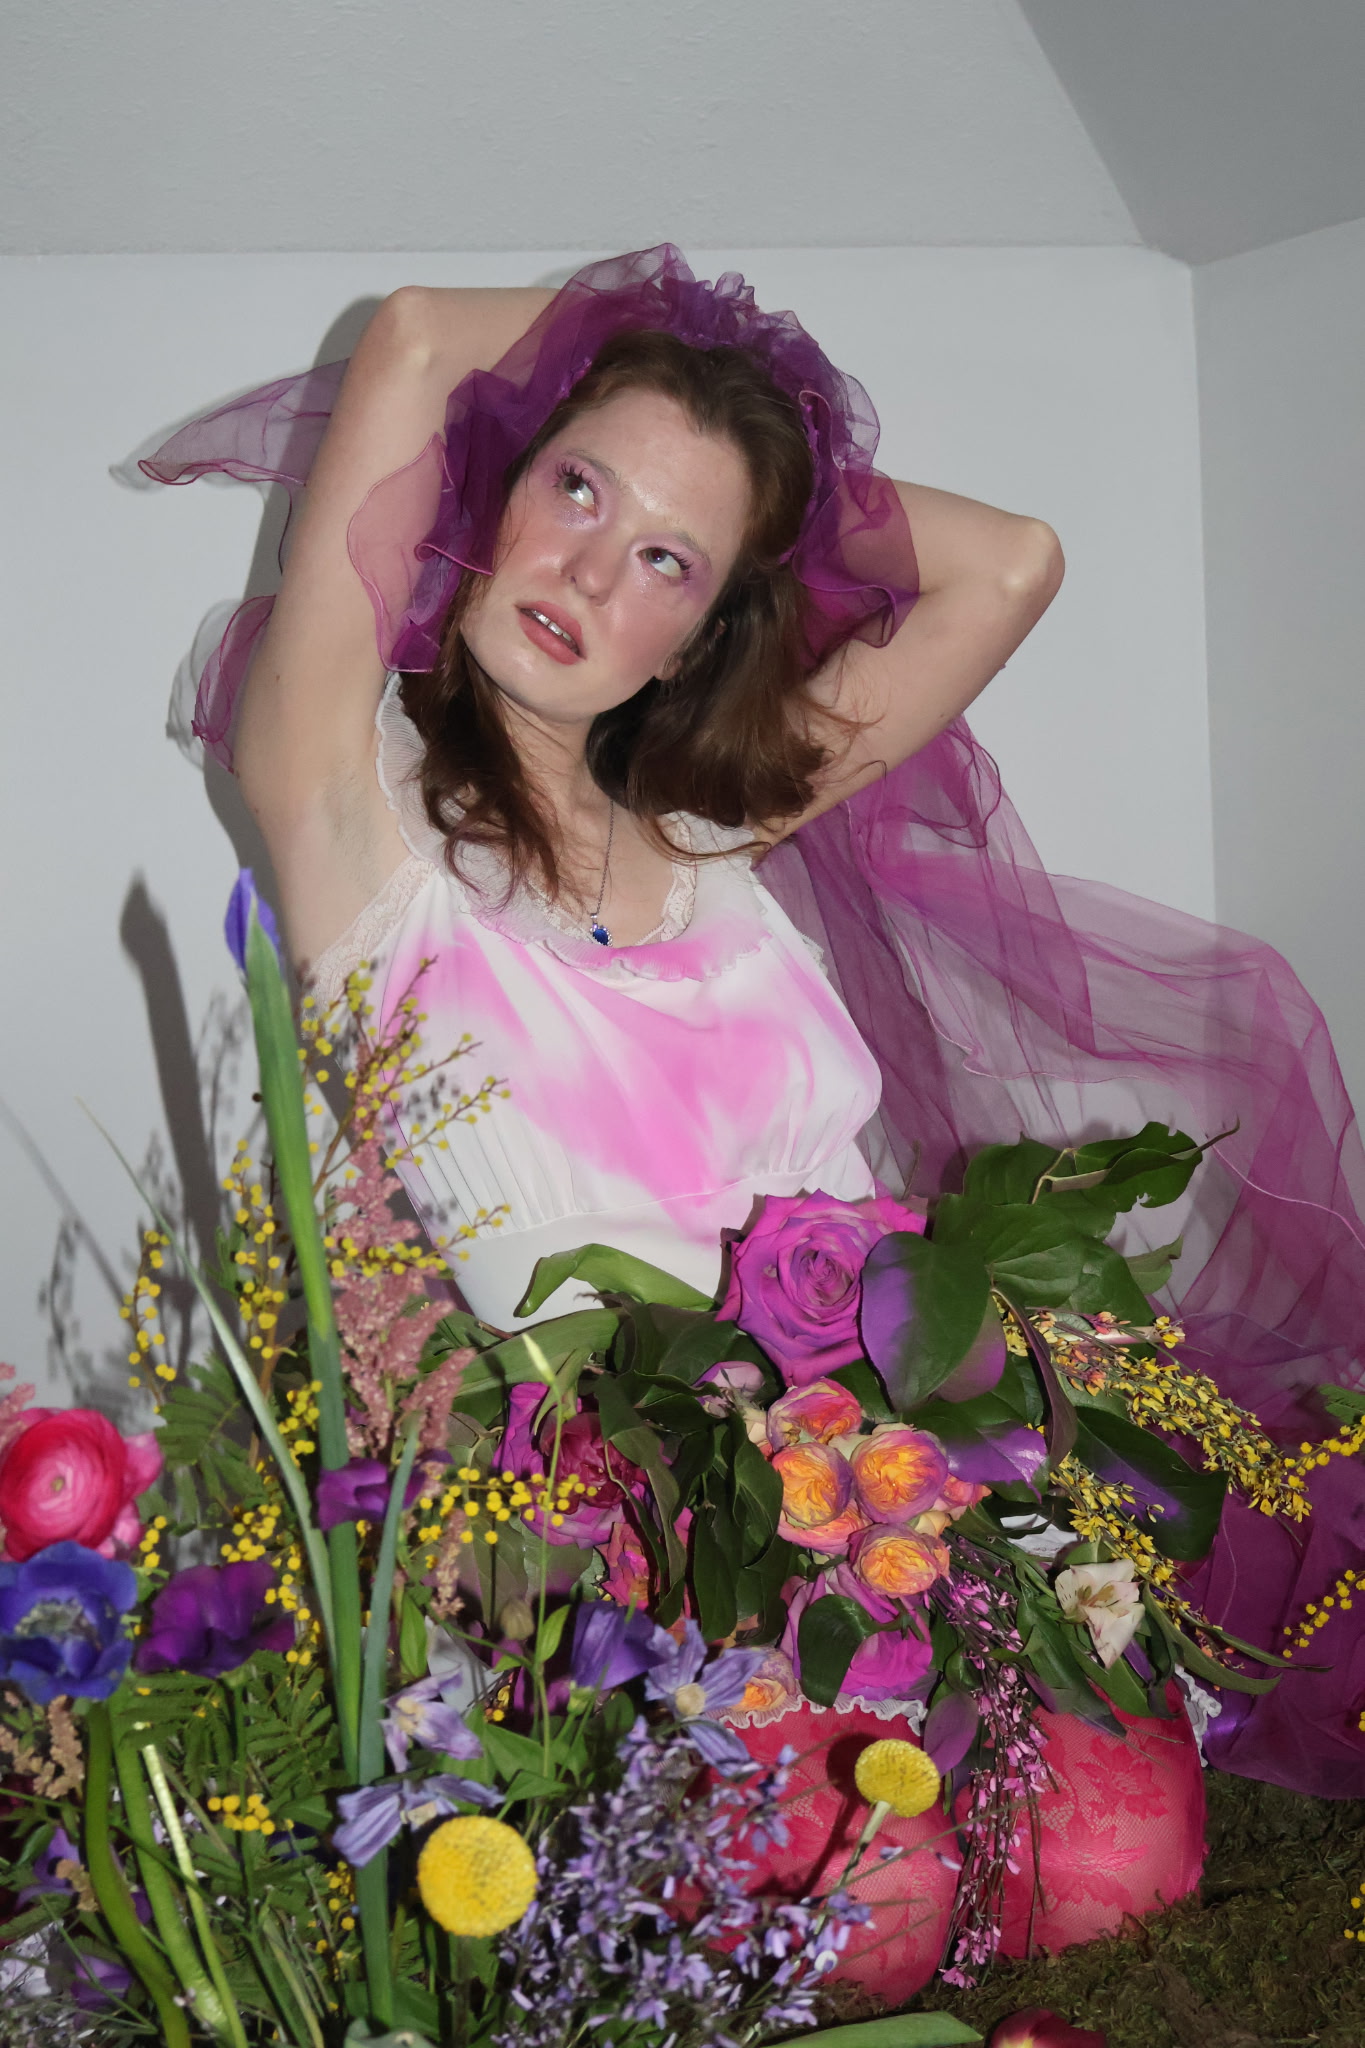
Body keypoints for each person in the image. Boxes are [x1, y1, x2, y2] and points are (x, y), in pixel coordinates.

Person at [145, 248, 1365, 1805]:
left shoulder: (717, 828)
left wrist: (762, 478)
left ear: (707, 627)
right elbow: (412, 335)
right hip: (614, 1578)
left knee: (1121, 1846)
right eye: (576, 489)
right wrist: (668, 371)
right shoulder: (344, 807)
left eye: (668, 563)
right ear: (496, 481)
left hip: (901, 1509)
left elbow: (1013, 564)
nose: (591, 577)